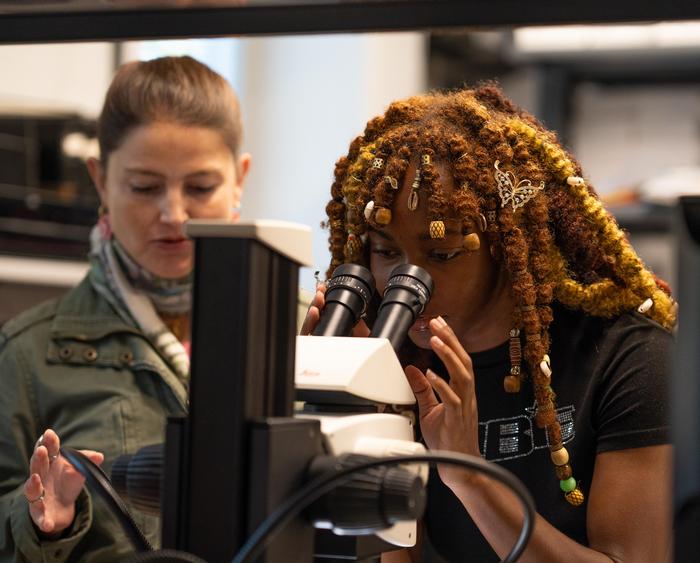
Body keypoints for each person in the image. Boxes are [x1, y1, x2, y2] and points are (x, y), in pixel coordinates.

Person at [303, 84, 676, 562]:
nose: (407, 280)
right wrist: (349, 424)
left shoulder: (631, 359)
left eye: (442, 253)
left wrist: (471, 477)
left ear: (507, 247)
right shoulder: (390, 360)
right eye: (385, 251)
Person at [0, 55, 250, 562]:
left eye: (201, 187)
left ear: (239, 180)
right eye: (145, 187)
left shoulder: (304, 331)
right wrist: (42, 523)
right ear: (100, 180)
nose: (174, 214)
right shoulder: (28, 356)